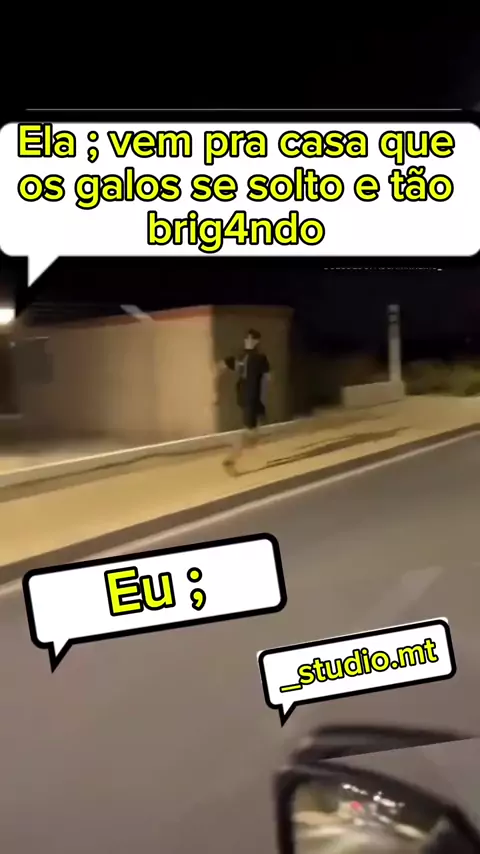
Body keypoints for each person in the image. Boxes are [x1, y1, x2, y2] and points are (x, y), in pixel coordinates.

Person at [217, 328, 271, 474]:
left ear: (256, 341)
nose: (247, 341)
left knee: (254, 432)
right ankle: (230, 460)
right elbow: (267, 379)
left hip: (251, 398)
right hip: (250, 398)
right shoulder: (248, 357)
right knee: (250, 432)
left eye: (250, 339)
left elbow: (265, 379)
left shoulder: (255, 357)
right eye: (246, 338)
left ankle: (241, 454)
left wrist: (223, 366)